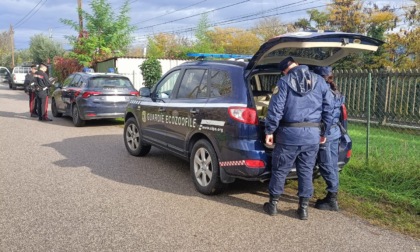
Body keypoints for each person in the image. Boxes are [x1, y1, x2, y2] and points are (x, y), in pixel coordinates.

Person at [263, 57, 334, 220]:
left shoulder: (284, 82)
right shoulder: (319, 81)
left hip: (288, 135)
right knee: (306, 171)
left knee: (280, 169)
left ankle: (273, 205)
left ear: (285, 70)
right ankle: (303, 209)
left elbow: (276, 109)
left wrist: (270, 131)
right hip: (312, 136)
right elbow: (329, 109)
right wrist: (324, 132)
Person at [312, 66, 345, 211]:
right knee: (332, 164)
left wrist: (322, 134)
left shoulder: (324, 91)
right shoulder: (334, 90)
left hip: (327, 133)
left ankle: (332, 199)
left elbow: (327, 115)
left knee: (326, 165)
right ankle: (332, 195)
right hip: (335, 132)